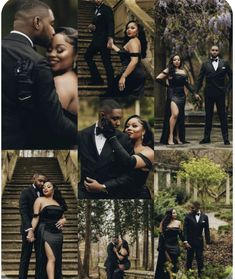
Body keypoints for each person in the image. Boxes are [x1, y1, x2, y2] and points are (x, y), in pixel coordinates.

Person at [2, 0, 77, 149]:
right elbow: (54, 123)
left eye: (60, 50)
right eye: (51, 24)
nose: (53, 31)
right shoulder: (37, 62)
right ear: (37, 22)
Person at [77, 99, 135, 199]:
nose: (118, 123)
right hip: (84, 194)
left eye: (120, 119)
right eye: (115, 119)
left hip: (112, 194)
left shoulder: (124, 139)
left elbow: (129, 174)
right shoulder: (81, 136)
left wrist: (103, 187)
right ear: (102, 115)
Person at [89, 114, 154, 198]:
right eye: (127, 126)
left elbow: (129, 162)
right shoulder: (122, 147)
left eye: (134, 126)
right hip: (116, 195)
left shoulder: (149, 152)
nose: (129, 128)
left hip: (137, 196)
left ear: (144, 131)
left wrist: (102, 186)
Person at [156, 54, 200, 145]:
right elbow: (158, 78)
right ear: (172, 61)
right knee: (175, 114)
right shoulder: (169, 70)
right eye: (175, 60)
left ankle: (178, 137)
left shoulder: (183, 72)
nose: (177, 61)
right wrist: (167, 85)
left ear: (180, 61)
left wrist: (194, 93)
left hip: (181, 95)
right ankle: (170, 136)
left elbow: (187, 85)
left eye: (178, 60)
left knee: (180, 117)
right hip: (172, 94)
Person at [46, 26, 78, 148]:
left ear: (75, 55)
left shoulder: (61, 81)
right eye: (49, 49)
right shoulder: (74, 79)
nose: (52, 54)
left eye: (60, 50)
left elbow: (48, 126)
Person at [194, 45, 232, 145]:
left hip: (220, 93)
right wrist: (196, 92)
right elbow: (200, 79)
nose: (214, 52)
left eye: (216, 50)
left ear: (218, 52)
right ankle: (206, 138)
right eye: (213, 50)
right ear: (210, 51)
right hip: (209, 93)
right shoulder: (205, 64)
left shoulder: (225, 63)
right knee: (208, 116)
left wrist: (227, 89)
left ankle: (226, 138)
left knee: (222, 116)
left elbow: (232, 77)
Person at [31, 181, 67, 279]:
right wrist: (31, 231)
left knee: (56, 259)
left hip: (58, 234)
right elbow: (35, 217)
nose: (45, 188)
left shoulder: (58, 202)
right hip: (45, 231)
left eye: (48, 186)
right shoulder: (39, 200)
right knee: (52, 258)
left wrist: (64, 220)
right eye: (43, 187)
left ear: (53, 189)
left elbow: (62, 216)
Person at [19, 173, 47, 279]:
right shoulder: (25, 192)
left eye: (44, 181)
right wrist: (29, 229)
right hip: (28, 229)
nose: (42, 183)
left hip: (41, 230)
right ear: (34, 179)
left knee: (40, 257)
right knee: (25, 257)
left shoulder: (44, 193)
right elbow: (23, 212)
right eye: (40, 180)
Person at [109, 20, 147, 97]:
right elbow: (125, 55)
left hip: (132, 73)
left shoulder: (132, 42)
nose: (129, 30)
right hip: (137, 73)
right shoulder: (136, 41)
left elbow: (134, 61)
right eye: (127, 28)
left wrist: (123, 76)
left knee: (113, 95)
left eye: (132, 28)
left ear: (137, 31)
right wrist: (113, 46)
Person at [84, 0, 114, 90]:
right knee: (87, 56)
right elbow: (97, 24)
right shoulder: (96, 9)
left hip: (104, 40)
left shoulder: (107, 9)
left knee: (106, 62)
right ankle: (97, 79)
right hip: (96, 39)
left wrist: (110, 38)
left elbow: (110, 23)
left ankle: (112, 86)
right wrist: (92, 27)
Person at [183, 201, 211, 278]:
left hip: (199, 242)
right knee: (189, 258)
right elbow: (184, 229)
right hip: (190, 242)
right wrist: (185, 241)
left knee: (200, 258)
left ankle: (200, 274)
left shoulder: (205, 217)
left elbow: (206, 230)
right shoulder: (188, 216)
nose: (191, 208)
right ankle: (188, 274)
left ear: (198, 207)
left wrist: (208, 243)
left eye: (193, 207)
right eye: (191, 207)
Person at [155, 209, 185, 279]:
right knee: (166, 266)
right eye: (174, 213)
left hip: (175, 247)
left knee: (175, 264)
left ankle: (174, 277)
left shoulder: (179, 223)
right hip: (166, 247)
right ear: (169, 214)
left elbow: (181, 235)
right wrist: (160, 248)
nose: (176, 214)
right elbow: (161, 237)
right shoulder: (163, 223)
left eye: (175, 213)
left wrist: (185, 242)